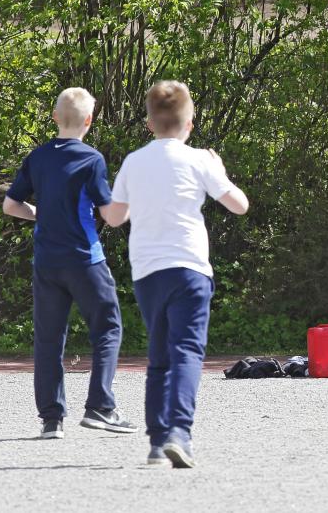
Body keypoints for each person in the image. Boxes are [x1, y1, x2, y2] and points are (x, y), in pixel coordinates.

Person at [104, 81, 249, 468]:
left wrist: (133, 202)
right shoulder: (200, 159)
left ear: (149, 123)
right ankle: (179, 433)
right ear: (190, 123)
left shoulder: (134, 161)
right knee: (187, 351)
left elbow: (115, 218)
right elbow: (239, 205)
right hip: (190, 268)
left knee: (159, 355)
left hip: (148, 271)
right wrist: (220, 170)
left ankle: (155, 441)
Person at [2, 87, 135, 440]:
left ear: (55, 117)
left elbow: (11, 206)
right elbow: (111, 215)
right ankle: (100, 407)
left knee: (49, 339)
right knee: (107, 328)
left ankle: (51, 420)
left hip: (47, 261)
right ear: (89, 121)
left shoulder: (38, 157)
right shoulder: (92, 160)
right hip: (85, 259)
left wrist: (40, 214)